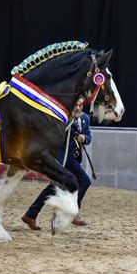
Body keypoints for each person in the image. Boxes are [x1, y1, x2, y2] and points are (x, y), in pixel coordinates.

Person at [21, 98, 92, 230]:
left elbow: (89, 136)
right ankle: (72, 213)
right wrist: (71, 119)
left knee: (57, 187)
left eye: (80, 105)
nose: (78, 108)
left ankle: (31, 214)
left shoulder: (85, 119)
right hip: (61, 158)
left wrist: (84, 138)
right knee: (79, 182)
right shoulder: (63, 117)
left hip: (73, 159)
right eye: (75, 105)